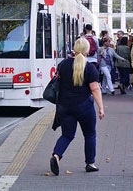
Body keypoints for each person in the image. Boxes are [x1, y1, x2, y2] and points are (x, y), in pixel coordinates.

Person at [50, 37, 104, 176]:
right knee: (90, 134)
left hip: (65, 106)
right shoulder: (90, 67)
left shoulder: (63, 64)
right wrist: (101, 108)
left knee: (67, 135)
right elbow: (95, 89)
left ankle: (56, 155)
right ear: (87, 50)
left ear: (74, 48)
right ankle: (90, 163)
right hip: (84, 106)